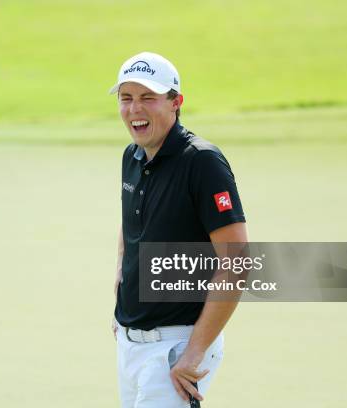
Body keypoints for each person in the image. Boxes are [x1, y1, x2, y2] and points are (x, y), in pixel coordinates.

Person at [109, 52, 248, 407]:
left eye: (148, 98)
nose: (134, 109)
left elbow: (237, 262)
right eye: (126, 98)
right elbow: (132, 230)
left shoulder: (202, 162)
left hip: (177, 347)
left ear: (176, 102)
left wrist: (194, 353)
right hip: (131, 345)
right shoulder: (133, 155)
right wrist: (122, 301)